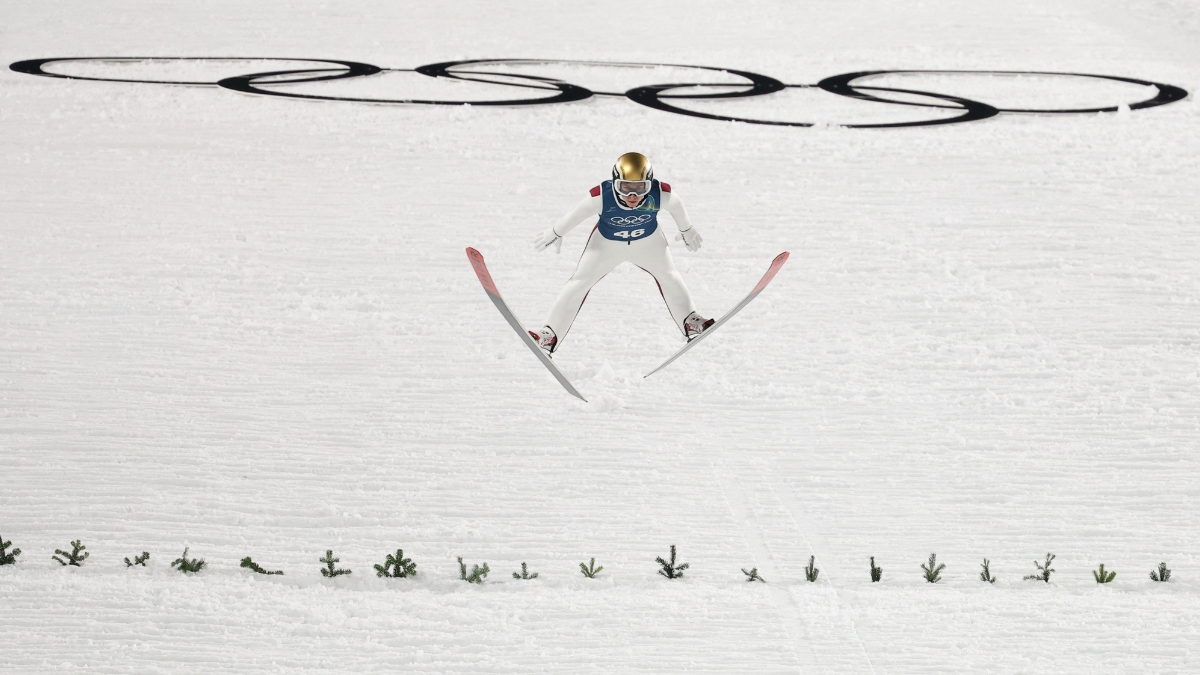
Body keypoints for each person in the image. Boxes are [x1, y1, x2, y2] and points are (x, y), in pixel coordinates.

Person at [529, 152, 713, 354]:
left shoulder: (660, 194)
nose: (632, 196)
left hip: (648, 243)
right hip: (606, 245)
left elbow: (676, 206)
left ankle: (690, 321)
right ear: (614, 183)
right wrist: (556, 231)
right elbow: (576, 215)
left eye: (639, 188)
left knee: (669, 275)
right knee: (579, 282)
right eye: (625, 188)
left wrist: (686, 229)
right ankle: (549, 334)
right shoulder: (601, 196)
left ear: (649, 184)